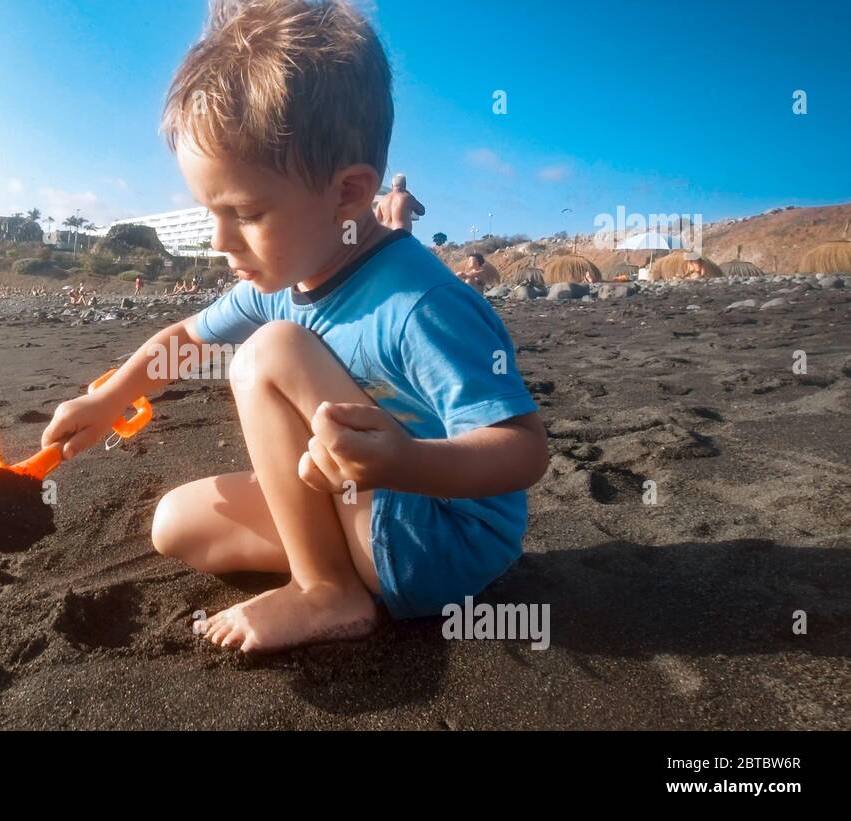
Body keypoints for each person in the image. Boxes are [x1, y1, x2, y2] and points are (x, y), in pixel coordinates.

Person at [41, 0, 546, 653]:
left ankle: (327, 590)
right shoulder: (284, 278)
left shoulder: (420, 303)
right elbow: (185, 342)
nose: (221, 242)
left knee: (267, 353)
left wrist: (405, 460)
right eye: (209, 214)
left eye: (245, 213)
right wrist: (109, 399)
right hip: (365, 506)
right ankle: (334, 566)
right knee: (176, 523)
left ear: (347, 194)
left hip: (441, 542)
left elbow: (523, 450)